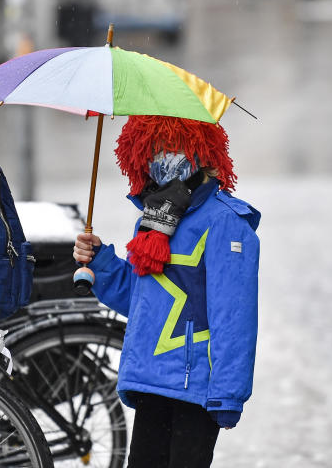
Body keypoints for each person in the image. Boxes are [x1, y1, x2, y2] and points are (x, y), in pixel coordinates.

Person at [73, 115, 261, 468]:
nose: (163, 157)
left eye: (172, 146)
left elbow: (235, 317)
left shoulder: (226, 222)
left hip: (196, 386)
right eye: (154, 148)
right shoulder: (153, 218)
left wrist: (227, 393)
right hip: (150, 380)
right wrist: (99, 261)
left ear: (201, 150)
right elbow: (141, 300)